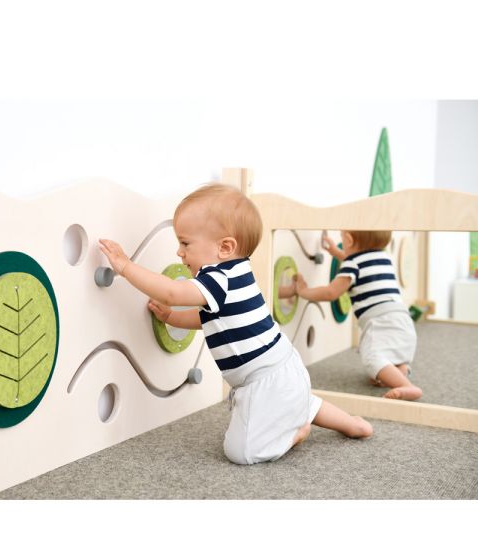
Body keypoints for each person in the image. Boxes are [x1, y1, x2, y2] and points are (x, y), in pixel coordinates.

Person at [99, 183, 373, 465]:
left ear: (225, 247)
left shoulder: (218, 278)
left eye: (185, 243)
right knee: (296, 400)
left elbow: (171, 292)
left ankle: (295, 434)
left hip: (264, 380)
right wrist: (171, 317)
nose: (179, 252)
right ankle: (352, 424)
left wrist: (126, 267)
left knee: (240, 452)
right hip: (284, 368)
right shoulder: (237, 272)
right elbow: (210, 320)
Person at [295, 230, 421, 401]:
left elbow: (331, 293)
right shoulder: (383, 257)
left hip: (380, 320)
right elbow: (358, 263)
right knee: (390, 352)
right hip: (402, 317)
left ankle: (406, 386)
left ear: (348, 240)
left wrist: (304, 291)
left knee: (372, 358)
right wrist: (336, 252)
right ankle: (400, 370)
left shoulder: (352, 264)